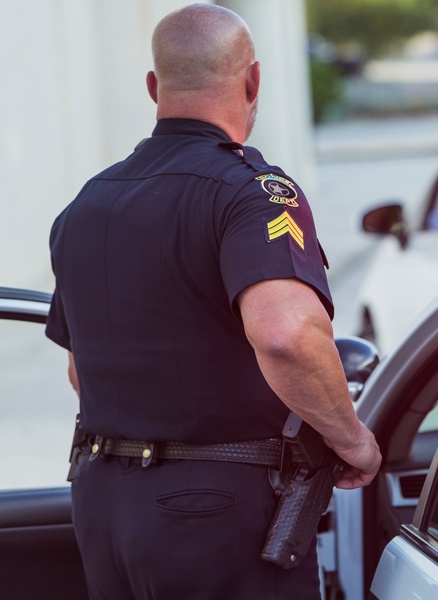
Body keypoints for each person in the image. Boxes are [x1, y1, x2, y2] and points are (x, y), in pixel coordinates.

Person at [44, 4, 381, 599]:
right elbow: (287, 336)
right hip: (215, 513)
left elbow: (81, 370)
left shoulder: (87, 205)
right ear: (253, 81)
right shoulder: (253, 194)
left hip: (102, 507)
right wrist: (351, 438)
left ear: (154, 87)